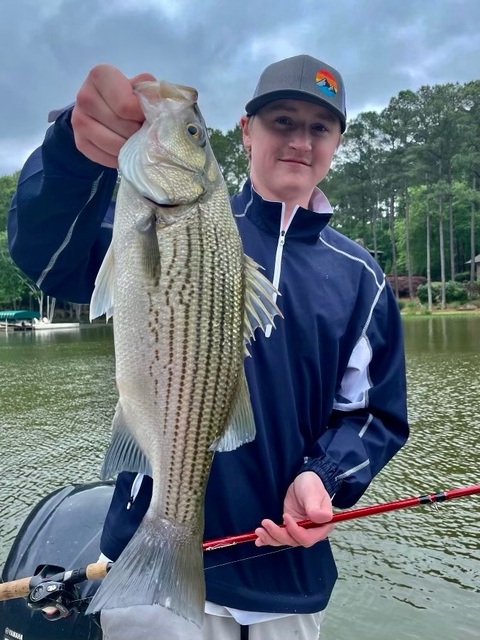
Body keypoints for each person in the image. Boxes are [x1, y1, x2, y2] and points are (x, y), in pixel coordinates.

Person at [8, 54, 409, 640]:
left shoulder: (361, 276)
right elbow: (49, 255)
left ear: (337, 142)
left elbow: (373, 415)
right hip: (146, 564)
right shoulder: (162, 216)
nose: (300, 140)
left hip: (287, 579)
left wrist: (325, 477)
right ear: (245, 132)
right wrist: (74, 155)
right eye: (281, 121)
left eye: (318, 127)